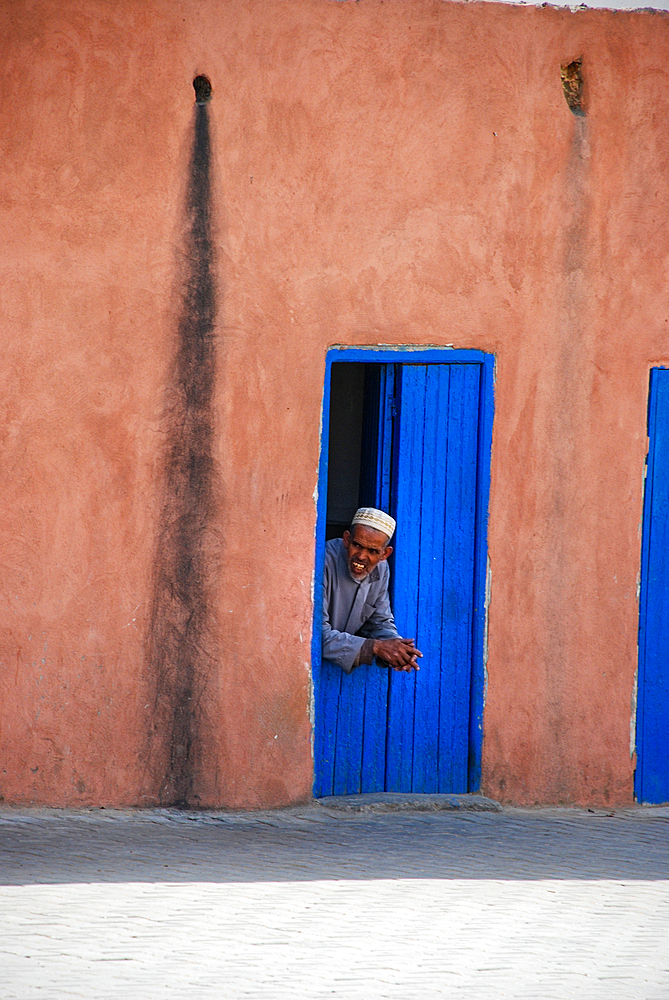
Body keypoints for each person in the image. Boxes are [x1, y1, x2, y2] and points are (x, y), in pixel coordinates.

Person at [322, 507, 422, 674]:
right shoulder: (324, 560)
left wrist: (397, 648)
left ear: (385, 554)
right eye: (357, 545)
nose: (361, 556)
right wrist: (374, 647)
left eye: (373, 551)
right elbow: (315, 634)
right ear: (347, 539)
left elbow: (379, 620)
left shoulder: (380, 569)